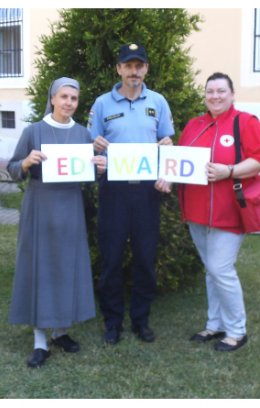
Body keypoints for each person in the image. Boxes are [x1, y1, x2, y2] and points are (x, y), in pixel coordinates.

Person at [155, 72, 260, 352]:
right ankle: (215, 324)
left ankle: (237, 331)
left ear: (232, 94)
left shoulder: (246, 122)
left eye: (221, 91)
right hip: (196, 211)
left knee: (221, 269)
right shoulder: (195, 125)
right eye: (210, 91)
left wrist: (228, 171)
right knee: (211, 271)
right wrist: (169, 176)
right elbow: (182, 161)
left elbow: (259, 162)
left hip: (230, 211)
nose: (215, 96)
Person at [8, 77, 106, 368]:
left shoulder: (83, 134)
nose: (68, 103)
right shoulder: (33, 131)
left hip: (70, 207)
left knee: (66, 266)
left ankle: (61, 330)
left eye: (74, 99)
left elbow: (90, 176)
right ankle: (40, 340)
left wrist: (100, 168)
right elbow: (12, 168)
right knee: (41, 267)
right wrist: (25, 163)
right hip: (40, 206)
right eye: (64, 97)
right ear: (52, 98)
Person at [88, 43, 174, 344]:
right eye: (128, 65)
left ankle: (140, 320)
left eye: (139, 66)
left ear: (146, 69)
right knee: (110, 260)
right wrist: (94, 153)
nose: (134, 71)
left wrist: (168, 173)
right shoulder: (101, 104)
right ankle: (112, 322)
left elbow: (167, 145)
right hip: (113, 191)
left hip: (147, 193)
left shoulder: (159, 102)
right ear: (119, 69)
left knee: (145, 259)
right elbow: (90, 149)